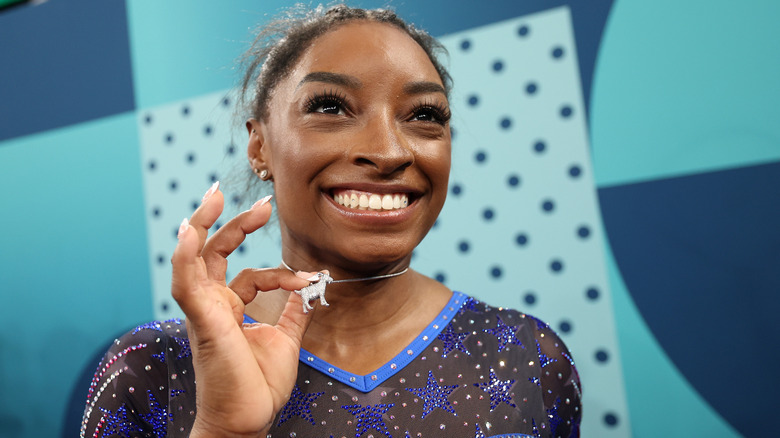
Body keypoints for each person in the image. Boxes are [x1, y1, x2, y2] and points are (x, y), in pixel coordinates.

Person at [80, 5, 581, 437]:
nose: (388, 152)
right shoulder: (151, 369)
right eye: (330, 107)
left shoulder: (528, 356)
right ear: (260, 146)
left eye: (424, 114)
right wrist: (222, 431)